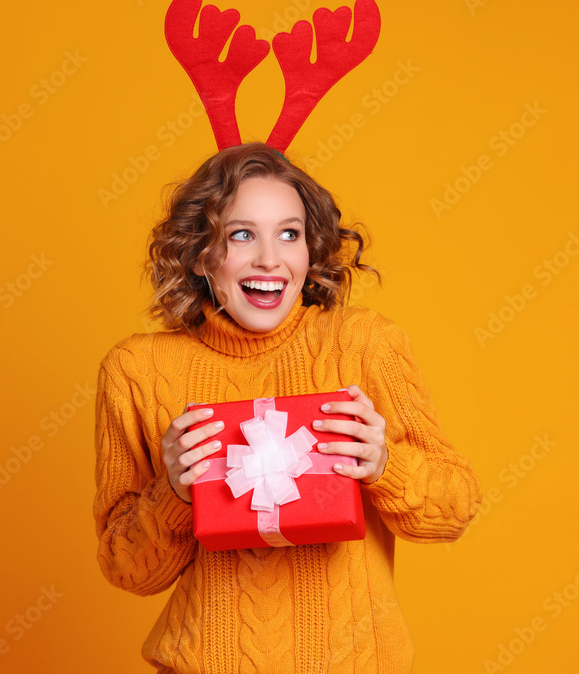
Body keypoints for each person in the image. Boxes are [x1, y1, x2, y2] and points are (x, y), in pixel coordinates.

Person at [93, 142, 481, 673]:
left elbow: (455, 509)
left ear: (311, 249)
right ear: (202, 252)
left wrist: (386, 465)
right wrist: (174, 493)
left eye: (289, 234)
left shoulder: (365, 344)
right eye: (242, 234)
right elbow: (127, 570)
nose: (269, 259)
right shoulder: (136, 371)